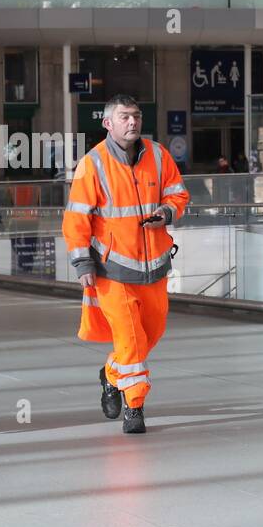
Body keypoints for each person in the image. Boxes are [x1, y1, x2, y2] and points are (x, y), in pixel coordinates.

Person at [63, 95, 190, 434]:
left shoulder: (159, 155)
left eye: (136, 116)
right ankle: (134, 406)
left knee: (152, 331)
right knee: (131, 338)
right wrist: (82, 264)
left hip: (155, 267)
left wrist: (166, 212)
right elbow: (76, 218)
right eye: (124, 117)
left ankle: (110, 373)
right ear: (108, 123)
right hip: (112, 270)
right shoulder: (94, 163)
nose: (132, 122)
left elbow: (178, 194)